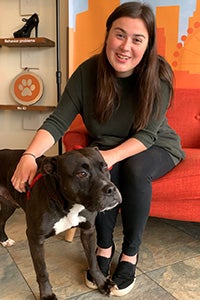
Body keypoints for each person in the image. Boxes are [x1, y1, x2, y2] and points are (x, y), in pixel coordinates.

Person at [11, 2, 185, 297]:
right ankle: (103, 246)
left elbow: (148, 134)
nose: (125, 46)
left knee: (130, 166)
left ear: (148, 44)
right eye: (119, 35)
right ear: (108, 35)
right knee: (98, 169)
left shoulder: (159, 76)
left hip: (156, 146)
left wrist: (105, 159)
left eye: (137, 39)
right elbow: (57, 121)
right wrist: (29, 156)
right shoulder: (88, 72)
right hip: (106, 147)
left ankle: (130, 253)